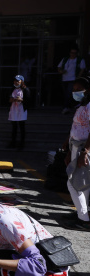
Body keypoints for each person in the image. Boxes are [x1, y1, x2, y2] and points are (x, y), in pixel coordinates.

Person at [62, 76, 90, 231]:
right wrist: (67, 144)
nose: (74, 92)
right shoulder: (82, 105)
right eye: (73, 89)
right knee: (82, 183)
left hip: (83, 149)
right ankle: (81, 213)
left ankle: (84, 219)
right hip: (76, 147)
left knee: (74, 184)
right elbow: (76, 126)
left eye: (77, 89)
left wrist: (85, 152)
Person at [58, 46, 86, 114]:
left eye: (75, 53)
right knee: (66, 93)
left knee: (69, 93)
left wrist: (78, 77)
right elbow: (59, 67)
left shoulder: (80, 60)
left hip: (73, 79)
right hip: (65, 79)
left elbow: (82, 69)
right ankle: (69, 106)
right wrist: (61, 71)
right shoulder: (65, 59)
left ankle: (66, 107)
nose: (73, 54)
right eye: (72, 53)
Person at [7, 75, 31, 150]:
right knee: (14, 127)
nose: (16, 82)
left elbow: (29, 101)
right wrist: (13, 100)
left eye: (18, 81)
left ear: (22, 82)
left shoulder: (26, 90)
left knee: (21, 127)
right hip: (14, 109)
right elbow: (9, 98)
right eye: (15, 81)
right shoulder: (13, 89)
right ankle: (13, 142)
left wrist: (21, 100)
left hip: (21, 110)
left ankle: (21, 144)